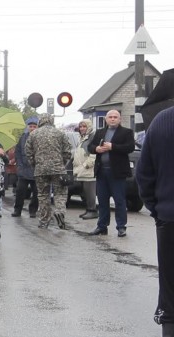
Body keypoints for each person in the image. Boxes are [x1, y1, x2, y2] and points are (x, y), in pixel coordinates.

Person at [136, 106, 174, 336]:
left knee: (170, 289)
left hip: (169, 217)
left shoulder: (161, 121)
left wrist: (158, 210)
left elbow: (144, 174)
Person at [87, 109, 135, 237]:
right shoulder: (100, 132)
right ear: (106, 119)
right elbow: (90, 147)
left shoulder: (126, 132)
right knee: (102, 201)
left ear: (120, 119)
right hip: (102, 171)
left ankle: (121, 227)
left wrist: (112, 147)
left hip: (117, 173)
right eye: (110, 117)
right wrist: (96, 148)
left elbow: (130, 147)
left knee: (119, 200)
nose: (113, 119)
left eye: (115, 117)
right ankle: (102, 226)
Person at [25, 114, 71, 229]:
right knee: (60, 193)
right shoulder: (60, 133)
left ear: (40, 121)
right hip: (58, 168)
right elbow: (67, 151)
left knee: (43, 195)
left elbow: (28, 152)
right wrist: (62, 163)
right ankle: (60, 212)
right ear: (51, 121)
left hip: (40, 169)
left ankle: (44, 220)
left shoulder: (33, 134)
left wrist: (34, 164)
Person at [12, 117, 39, 218]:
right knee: (20, 191)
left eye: (34, 126)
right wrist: (19, 165)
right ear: (28, 127)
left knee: (36, 193)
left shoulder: (40, 138)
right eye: (30, 126)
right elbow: (18, 151)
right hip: (23, 169)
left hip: (36, 170)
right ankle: (17, 210)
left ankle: (33, 211)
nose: (32, 128)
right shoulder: (23, 137)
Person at [73, 119, 98, 220]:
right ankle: (88, 209)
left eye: (84, 126)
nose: (82, 128)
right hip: (82, 169)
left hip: (88, 169)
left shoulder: (92, 137)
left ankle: (93, 210)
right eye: (81, 127)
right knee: (85, 191)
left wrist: (87, 164)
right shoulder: (82, 137)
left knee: (90, 191)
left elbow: (94, 152)